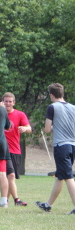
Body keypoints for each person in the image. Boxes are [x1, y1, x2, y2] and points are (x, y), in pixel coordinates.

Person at [36, 83, 75, 214]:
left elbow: (47, 129)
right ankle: (48, 205)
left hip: (61, 146)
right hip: (72, 145)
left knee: (68, 176)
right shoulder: (72, 107)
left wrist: (54, 127)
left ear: (51, 95)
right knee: (60, 175)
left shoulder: (52, 107)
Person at [1, 92, 31, 206]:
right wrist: (0, 109)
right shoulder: (0, 113)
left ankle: (6, 200)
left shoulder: (20, 114)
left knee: (11, 176)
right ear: (2, 102)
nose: (8, 103)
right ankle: (16, 200)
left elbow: (29, 128)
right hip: (2, 149)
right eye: (6, 101)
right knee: (11, 175)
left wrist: (24, 128)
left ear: (14, 102)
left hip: (15, 150)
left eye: (10, 101)